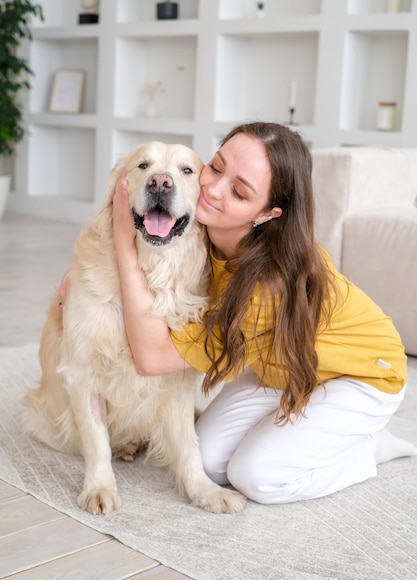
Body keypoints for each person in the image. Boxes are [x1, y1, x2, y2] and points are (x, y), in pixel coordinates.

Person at [65, 122, 417, 505]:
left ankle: (367, 447)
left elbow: (151, 358)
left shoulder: (266, 286)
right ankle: (311, 431)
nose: (214, 189)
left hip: (363, 373)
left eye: (238, 191)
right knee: (213, 462)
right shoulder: (205, 235)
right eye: (215, 168)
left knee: (256, 477)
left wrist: (122, 240)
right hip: (283, 368)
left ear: (267, 213)